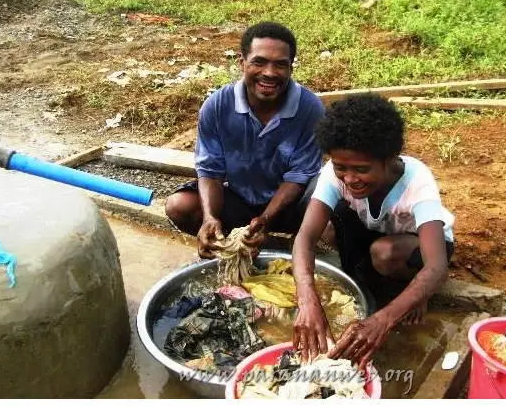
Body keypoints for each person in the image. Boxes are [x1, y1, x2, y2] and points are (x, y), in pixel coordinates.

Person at [291, 94, 455, 368]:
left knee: (385, 254)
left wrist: (383, 319)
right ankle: (372, 281)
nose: (349, 178)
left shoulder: (417, 181)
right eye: (341, 167)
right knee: (326, 227)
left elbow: (437, 267)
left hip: (417, 247)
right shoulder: (335, 172)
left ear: (389, 159)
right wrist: (307, 301)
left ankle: (414, 290)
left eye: (361, 169)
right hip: (374, 229)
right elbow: (305, 239)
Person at [165, 22, 325, 258]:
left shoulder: (310, 109)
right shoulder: (218, 105)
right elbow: (210, 170)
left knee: (330, 207)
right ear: (242, 62)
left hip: (290, 206)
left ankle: (294, 244)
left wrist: (266, 219)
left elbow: (299, 176)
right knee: (179, 206)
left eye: (280, 64)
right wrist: (210, 217)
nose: (269, 73)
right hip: (240, 201)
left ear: (291, 68)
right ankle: (236, 244)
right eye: (259, 62)